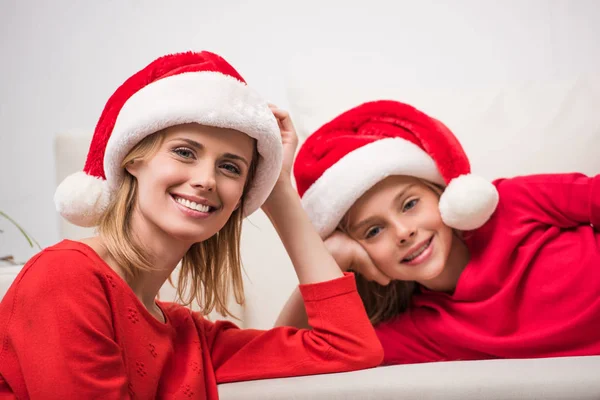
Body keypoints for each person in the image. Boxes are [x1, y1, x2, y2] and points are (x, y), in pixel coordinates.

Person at [0, 51, 382, 399]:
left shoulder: (190, 338)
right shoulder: (66, 277)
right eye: (185, 152)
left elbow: (350, 346)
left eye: (231, 167)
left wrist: (279, 190)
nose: (207, 180)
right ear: (133, 158)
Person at [276, 99, 600, 365]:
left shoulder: (511, 202)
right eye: (374, 231)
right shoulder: (419, 332)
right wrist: (329, 258)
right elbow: (280, 352)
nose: (403, 232)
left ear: (443, 193)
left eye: (409, 204)